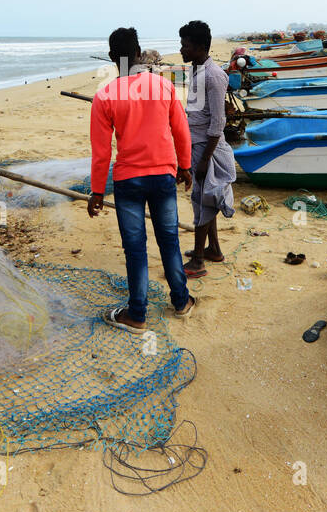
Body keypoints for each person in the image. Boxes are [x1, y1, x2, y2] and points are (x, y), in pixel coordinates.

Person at [87, 26, 196, 333]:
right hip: (163, 175)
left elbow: (100, 153)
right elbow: (181, 130)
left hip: (128, 181)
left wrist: (96, 192)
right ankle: (181, 301)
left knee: (135, 248)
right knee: (169, 240)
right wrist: (185, 166)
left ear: (112, 57)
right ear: (138, 53)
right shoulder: (162, 86)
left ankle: (137, 314)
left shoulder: (105, 95)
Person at [180, 20, 236, 276]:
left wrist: (204, 160)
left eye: (186, 45)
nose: (182, 49)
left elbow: (218, 121)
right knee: (207, 199)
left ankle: (199, 260)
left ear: (200, 46)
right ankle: (213, 248)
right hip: (196, 145)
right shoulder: (197, 70)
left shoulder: (214, 75)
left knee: (202, 201)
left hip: (207, 148)